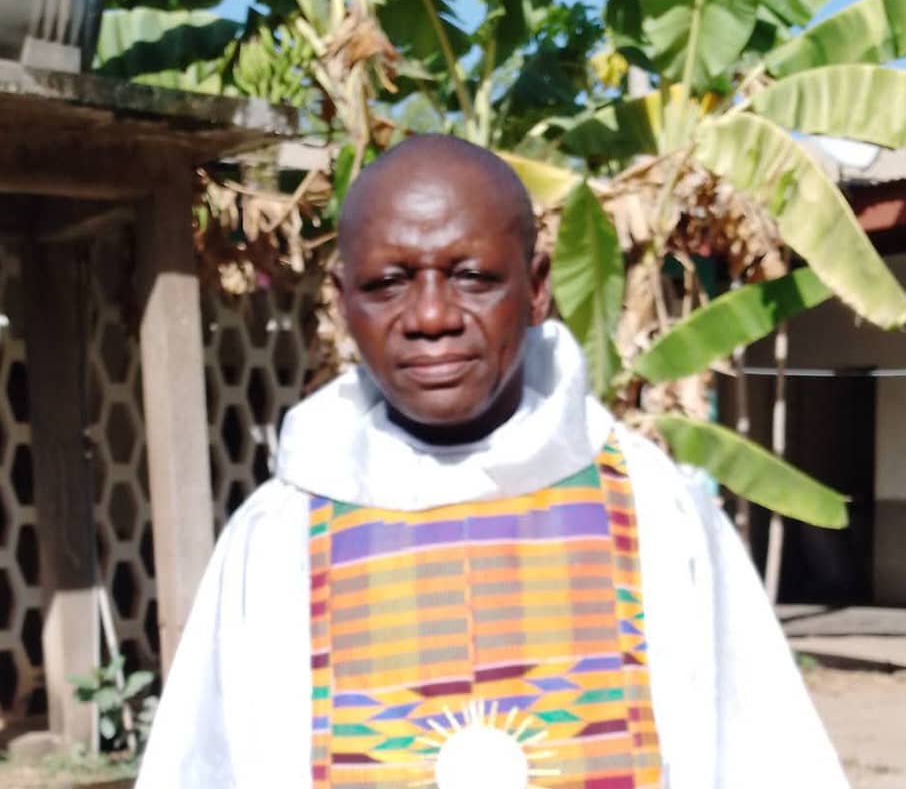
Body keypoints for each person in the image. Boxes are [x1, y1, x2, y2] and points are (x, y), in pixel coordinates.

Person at [137, 135, 848, 789]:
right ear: (343, 300)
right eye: (388, 283)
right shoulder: (279, 534)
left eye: (472, 276)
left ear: (537, 288)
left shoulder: (654, 508)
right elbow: (206, 765)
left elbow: (761, 754)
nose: (431, 316)